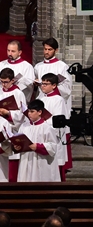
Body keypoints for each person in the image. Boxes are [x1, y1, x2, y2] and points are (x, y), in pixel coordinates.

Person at [35, 37, 73, 170]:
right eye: (45, 49)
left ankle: (62, 164)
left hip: (57, 102)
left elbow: (68, 89)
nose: (46, 52)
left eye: (49, 49)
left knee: (57, 129)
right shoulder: (38, 66)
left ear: (56, 50)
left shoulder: (62, 66)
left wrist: (55, 86)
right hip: (43, 100)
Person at [14, 99, 60, 182]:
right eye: (28, 111)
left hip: (41, 161)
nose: (29, 114)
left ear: (39, 112)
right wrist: (17, 147)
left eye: (32, 111)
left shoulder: (47, 128)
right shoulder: (24, 126)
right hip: (26, 160)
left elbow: (53, 147)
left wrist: (37, 146)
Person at [37, 73, 69, 179]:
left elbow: (58, 121)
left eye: (46, 84)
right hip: (41, 135)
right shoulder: (40, 99)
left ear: (54, 85)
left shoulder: (58, 100)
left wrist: (43, 123)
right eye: (42, 83)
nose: (43, 86)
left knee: (54, 170)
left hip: (53, 137)